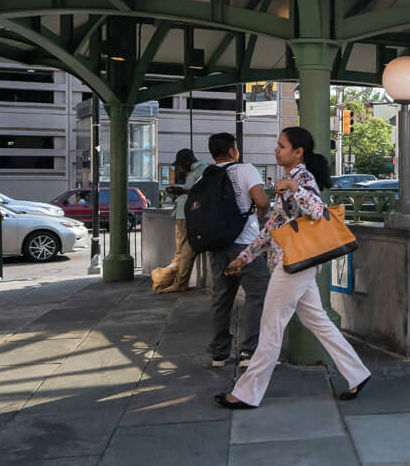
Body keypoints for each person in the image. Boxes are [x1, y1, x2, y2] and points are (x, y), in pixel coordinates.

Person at [216, 126, 371, 408]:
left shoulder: (301, 178)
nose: (276, 149)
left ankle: (246, 393)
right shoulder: (288, 178)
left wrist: (296, 188)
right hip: (297, 263)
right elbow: (273, 227)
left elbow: (317, 211)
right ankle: (357, 373)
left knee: (271, 327)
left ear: (298, 152)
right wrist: (245, 257)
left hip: (293, 265)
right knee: (319, 323)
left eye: (282, 146)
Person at [202, 132, 270, 370]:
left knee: (222, 298)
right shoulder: (246, 169)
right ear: (232, 151)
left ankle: (219, 354)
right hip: (246, 245)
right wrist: (261, 212)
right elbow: (261, 202)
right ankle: (248, 351)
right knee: (257, 294)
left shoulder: (207, 175)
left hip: (217, 244)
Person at [158, 147, 207, 291]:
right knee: (181, 251)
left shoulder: (202, 170)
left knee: (186, 250)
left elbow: (203, 193)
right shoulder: (192, 172)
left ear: (187, 161)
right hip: (181, 214)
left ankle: (180, 283)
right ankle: (177, 281)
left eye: (179, 165)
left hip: (189, 216)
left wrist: (182, 191)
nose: (179, 169)